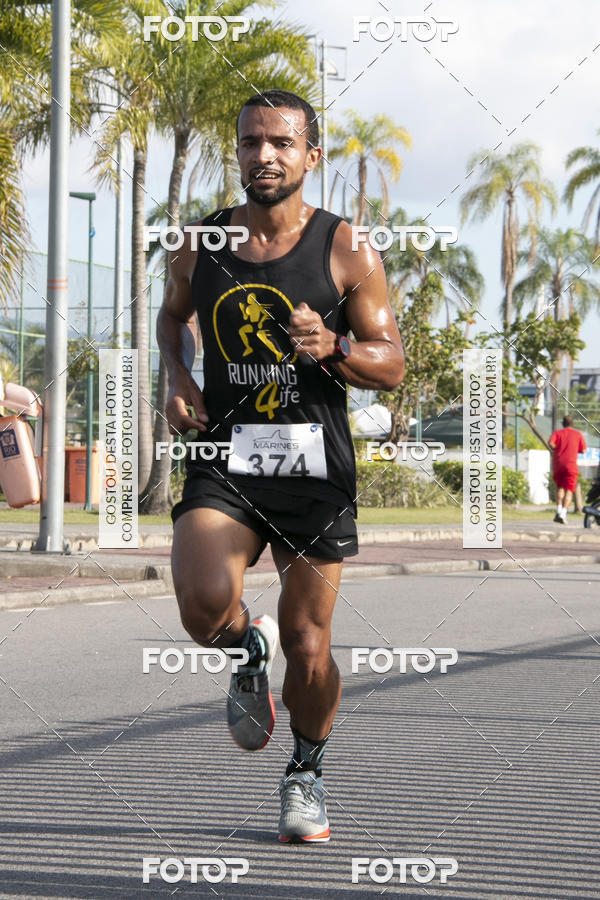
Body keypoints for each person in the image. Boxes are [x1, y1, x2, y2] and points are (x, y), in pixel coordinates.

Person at [157, 89, 404, 843]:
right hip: (227, 455)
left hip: (313, 466)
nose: (263, 155)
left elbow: (391, 363)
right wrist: (178, 376)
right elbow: (172, 316)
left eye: (281, 143)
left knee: (310, 645)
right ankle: (244, 645)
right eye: (250, 142)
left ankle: (305, 773)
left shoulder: (346, 249)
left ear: (311, 156)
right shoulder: (201, 243)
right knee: (202, 608)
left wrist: (335, 348)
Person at [549, 415, 587, 523]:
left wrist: (558, 449)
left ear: (563, 423)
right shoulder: (578, 434)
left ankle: (558, 510)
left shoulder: (557, 433)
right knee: (569, 490)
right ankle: (563, 513)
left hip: (559, 464)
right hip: (571, 466)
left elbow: (551, 443)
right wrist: (575, 450)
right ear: (572, 424)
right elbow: (584, 450)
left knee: (560, 488)